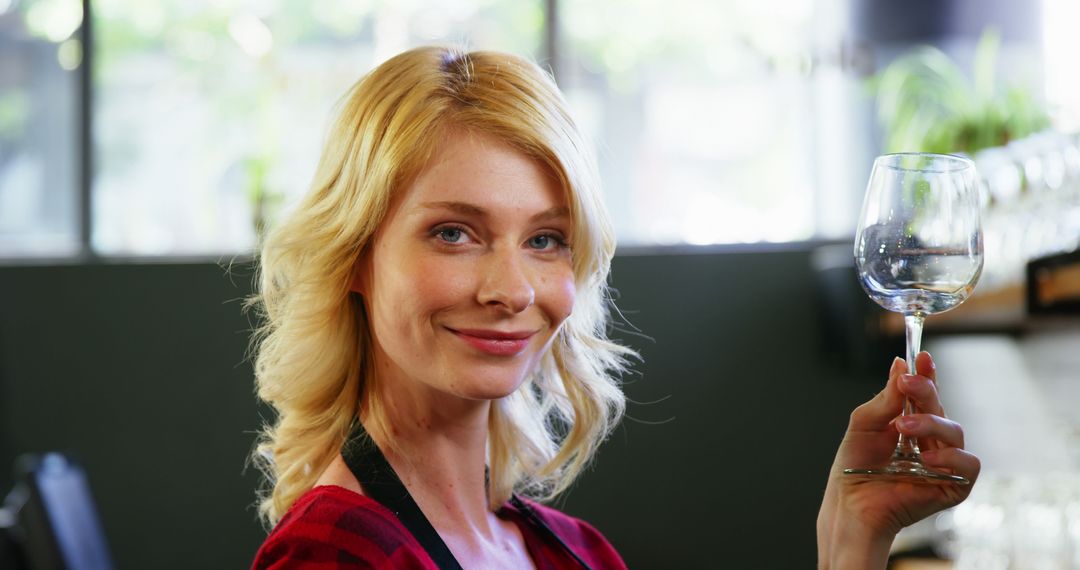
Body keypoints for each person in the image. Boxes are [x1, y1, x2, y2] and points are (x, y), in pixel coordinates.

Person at [248, 46, 979, 569]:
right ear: (354, 258)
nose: (513, 289)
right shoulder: (332, 554)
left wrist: (849, 538)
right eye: (453, 233)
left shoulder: (569, 550)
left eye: (545, 239)